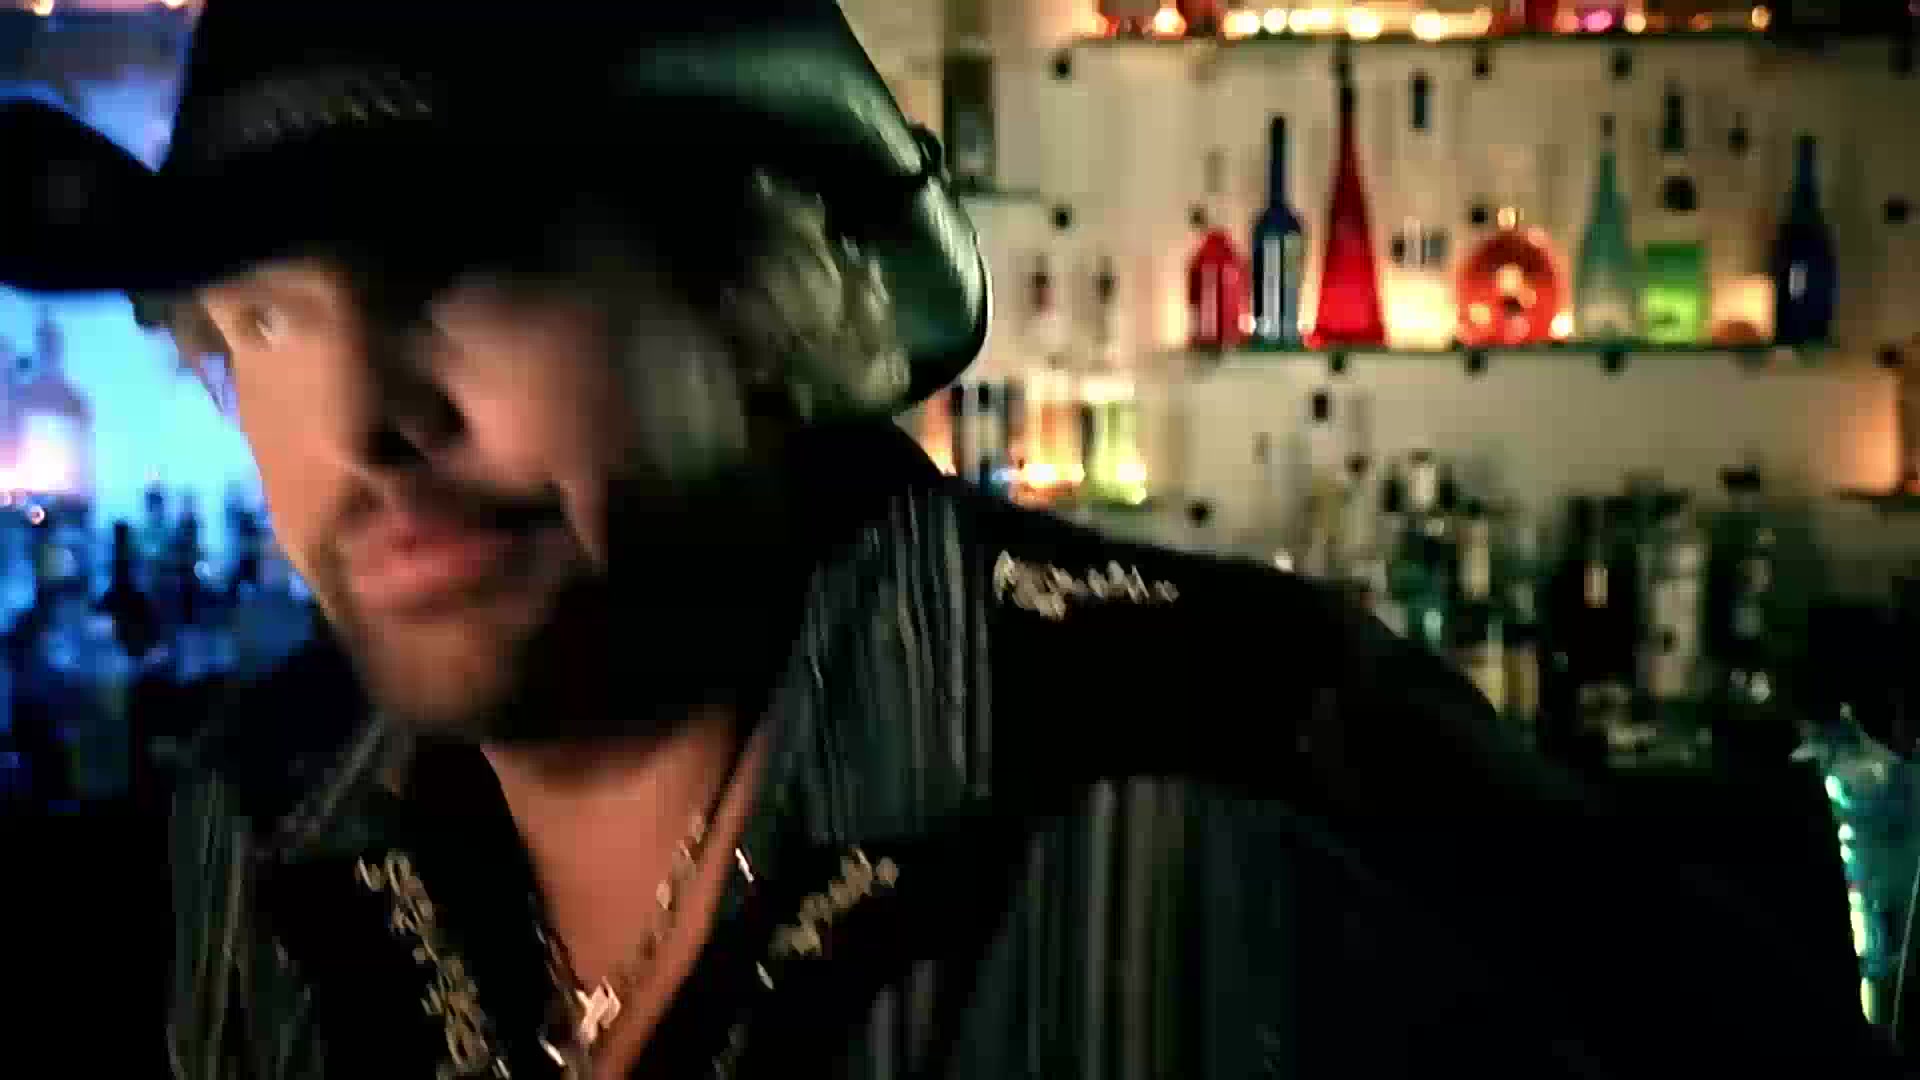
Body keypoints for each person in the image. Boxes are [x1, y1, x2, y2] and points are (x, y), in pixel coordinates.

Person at [0, 5, 1905, 1078]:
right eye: (264, 318)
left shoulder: (1247, 783)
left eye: (461, 267)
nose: (360, 421)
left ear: (751, 290)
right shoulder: (264, 827)